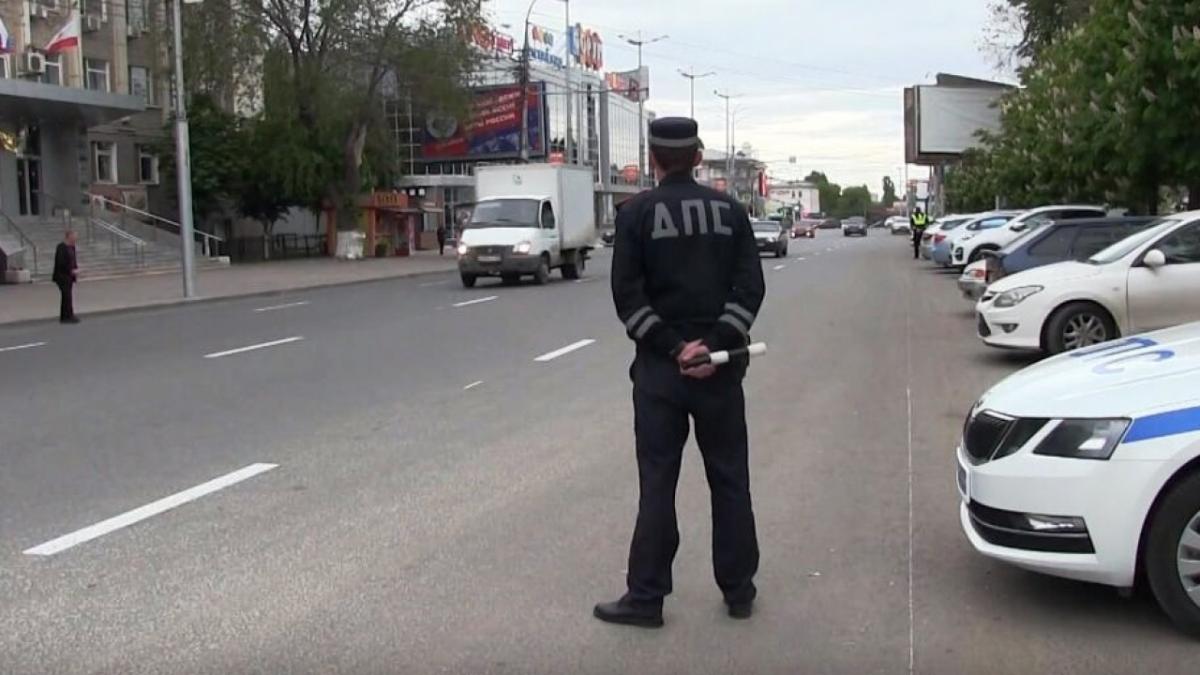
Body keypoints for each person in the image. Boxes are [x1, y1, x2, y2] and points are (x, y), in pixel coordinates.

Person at [596, 117, 765, 629]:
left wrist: (674, 349)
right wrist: (711, 346)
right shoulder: (731, 212)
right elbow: (750, 290)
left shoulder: (636, 215)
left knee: (657, 484)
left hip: (659, 376)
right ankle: (738, 592)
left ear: (653, 159)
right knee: (731, 480)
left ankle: (646, 598)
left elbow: (629, 299)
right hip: (719, 371)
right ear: (698, 156)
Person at [53, 230, 80, 324]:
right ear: (69, 236)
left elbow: (73, 260)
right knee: (66, 296)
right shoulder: (61, 247)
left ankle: (67, 315)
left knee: (68, 296)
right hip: (62, 276)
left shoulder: (72, 247)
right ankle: (66, 316)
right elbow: (60, 262)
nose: (76, 238)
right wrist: (70, 270)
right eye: (75, 236)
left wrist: (76, 269)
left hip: (70, 276)